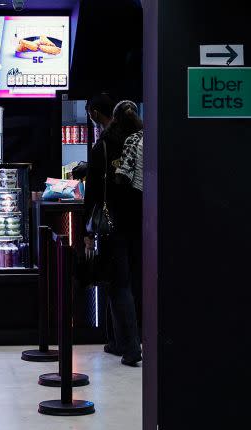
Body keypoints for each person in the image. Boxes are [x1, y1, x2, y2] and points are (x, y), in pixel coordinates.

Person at [83, 94, 144, 367]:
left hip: (114, 223)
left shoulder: (104, 146)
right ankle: (123, 341)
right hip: (144, 222)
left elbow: (94, 192)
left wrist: (86, 227)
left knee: (118, 284)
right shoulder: (146, 142)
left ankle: (130, 348)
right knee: (135, 283)